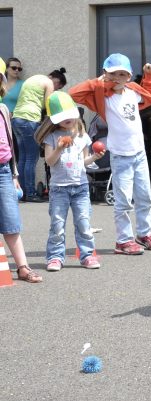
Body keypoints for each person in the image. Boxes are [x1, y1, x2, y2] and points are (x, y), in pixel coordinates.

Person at [69, 53, 151, 255]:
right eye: (113, 73)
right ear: (105, 74)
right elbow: (74, 94)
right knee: (123, 201)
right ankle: (123, 240)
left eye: (122, 74)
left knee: (145, 196)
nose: (118, 78)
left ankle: (144, 234)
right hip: (121, 156)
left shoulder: (132, 91)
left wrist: (148, 75)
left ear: (128, 76)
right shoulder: (102, 95)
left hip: (139, 154)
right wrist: (100, 82)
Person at [35, 91, 104, 271]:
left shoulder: (82, 136)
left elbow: (84, 162)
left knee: (84, 223)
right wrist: (58, 148)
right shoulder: (51, 137)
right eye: (62, 117)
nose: (67, 119)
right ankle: (55, 257)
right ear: (54, 119)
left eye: (70, 115)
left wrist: (95, 157)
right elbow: (50, 161)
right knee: (57, 225)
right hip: (59, 189)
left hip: (80, 187)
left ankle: (87, 255)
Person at [0, 59, 42, 283]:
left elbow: (9, 145)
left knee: (11, 221)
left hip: (4, 171)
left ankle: (23, 268)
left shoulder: (4, 109)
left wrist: (15, 174)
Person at [12, 67, 67, 202]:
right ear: (54, 79)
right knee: (31, 158)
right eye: (57, 86)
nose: (55, 89)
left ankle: (22, 192)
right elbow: (49, 105)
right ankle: (30, 193)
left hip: (17, 119)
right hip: (30, 119)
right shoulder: (48, 83)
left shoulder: (32, 79)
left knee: (23, 157)